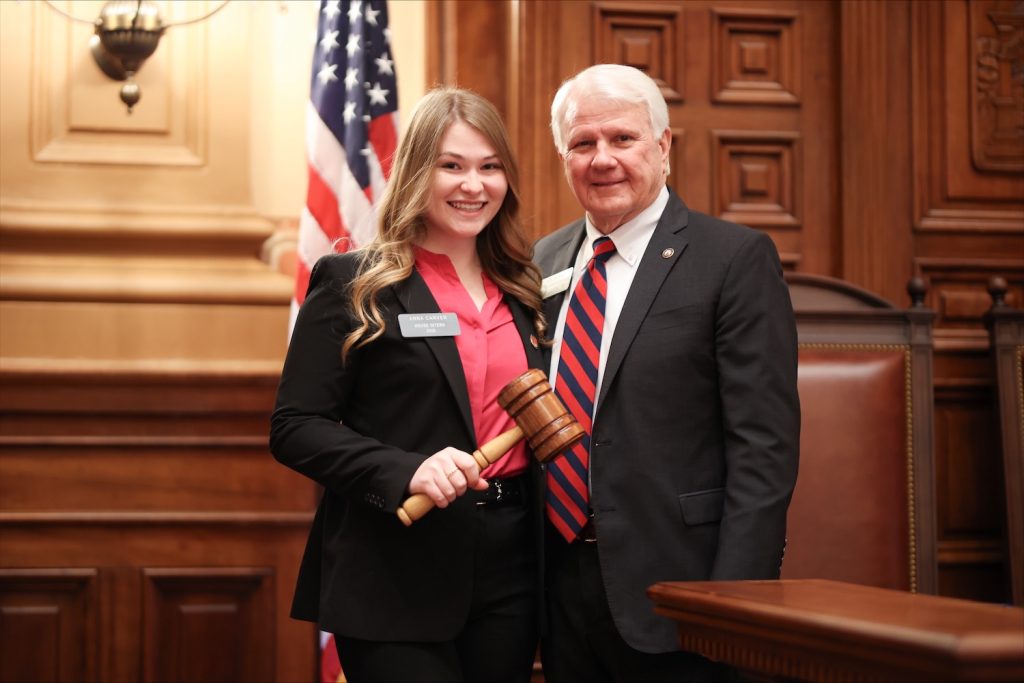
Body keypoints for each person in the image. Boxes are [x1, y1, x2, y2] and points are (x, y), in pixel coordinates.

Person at [534, 64, 801, 683]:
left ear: (663, 145)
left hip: (681, 591)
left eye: (622, 139)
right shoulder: (539, 261)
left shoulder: (732, 259)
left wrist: (730, 607)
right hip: (558, 591)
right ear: (563, 156)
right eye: (583, 143)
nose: (602, 159)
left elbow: (765, 448)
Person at [270, 87, 547, 683]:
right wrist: (406, 471)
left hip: (514, 565)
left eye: (489, 167)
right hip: (393, 565)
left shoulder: (527, 289)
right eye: (452, 165)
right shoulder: (353, 282)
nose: (473, 185)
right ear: (418, 171)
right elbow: (294, 428)